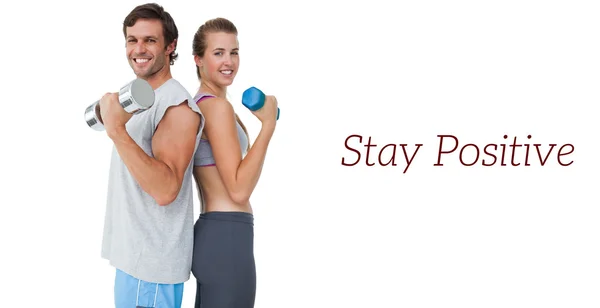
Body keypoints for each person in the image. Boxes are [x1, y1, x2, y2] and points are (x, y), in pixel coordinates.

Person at [98, 3, 204, 308]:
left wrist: (117, 131)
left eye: (150, 40)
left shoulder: (176, 105)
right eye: (132, 40)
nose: (139, 48)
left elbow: (166, 189)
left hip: (152, 269)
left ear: (171, 46)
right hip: (133, 260)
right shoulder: (141, 99)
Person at [189, 17, 278, 307]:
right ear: (198, 59)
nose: (229, 61)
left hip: (216, 234)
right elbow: (239, 189)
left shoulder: (204, 103)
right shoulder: (216, 108)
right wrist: (267, 127)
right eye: (218, 53)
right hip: (227, 237)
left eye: (234, 52)